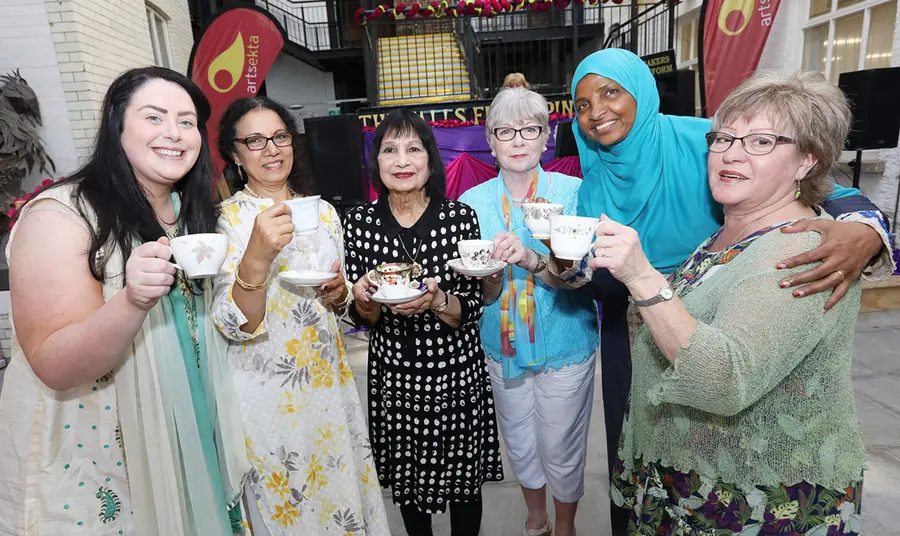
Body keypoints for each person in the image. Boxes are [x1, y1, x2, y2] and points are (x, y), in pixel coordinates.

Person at [563, 49, 895, 535]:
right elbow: (600, 273)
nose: (597, 112)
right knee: (630, 435)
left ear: (643, 93)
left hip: (757, 486)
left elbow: (823, 189)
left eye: (611, 92)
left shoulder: (704, 143)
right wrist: (556, 268)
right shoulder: (594, 171)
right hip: (640, 321)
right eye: (582, 103)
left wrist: (868, 227)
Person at [0, 67, 248, 535]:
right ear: (117, 126)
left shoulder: (185, 211)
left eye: (187, 121)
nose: (174, 133)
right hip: (96, 447)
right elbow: (54, 363)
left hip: (185, 431)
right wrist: (132, 301)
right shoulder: (62, 215)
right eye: (154, 117)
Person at [212, 97, 391, 535]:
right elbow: (233, 323)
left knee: (338, 498)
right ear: (235, 154)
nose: (271, 149)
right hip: (265, 394)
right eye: (254, 140)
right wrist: (257, 253)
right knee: (288, 504)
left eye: (279, 137)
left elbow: (341, 306)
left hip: (327, 385)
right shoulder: (226, 220)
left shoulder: (325, 213)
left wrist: (339, 294)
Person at [345, 109, 504, 536]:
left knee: (464, 489)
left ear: (430, 160)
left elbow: (472, 306)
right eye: (390, 150)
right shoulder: (359, 225)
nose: (402, 160)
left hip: (455, 374)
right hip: (395, 378)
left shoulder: (459, 218)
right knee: (408, 485)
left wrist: (436, 300)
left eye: (414, 149)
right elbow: (363, 316)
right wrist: (366, 298)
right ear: (375, 162)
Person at [459, 87, 598, 536]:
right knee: (518, 441)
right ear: (491, 140)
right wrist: (487, 277)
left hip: (565, 337)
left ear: (546, 137)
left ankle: (565, 525)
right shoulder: (472, 203)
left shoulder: (574, 193)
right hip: (500, 343)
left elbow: (583, 274)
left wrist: (533, 258)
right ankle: (535, 516)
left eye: (529, 129)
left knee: (560, 443)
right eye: (505, 131)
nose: (518, 140)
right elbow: (476, 290)